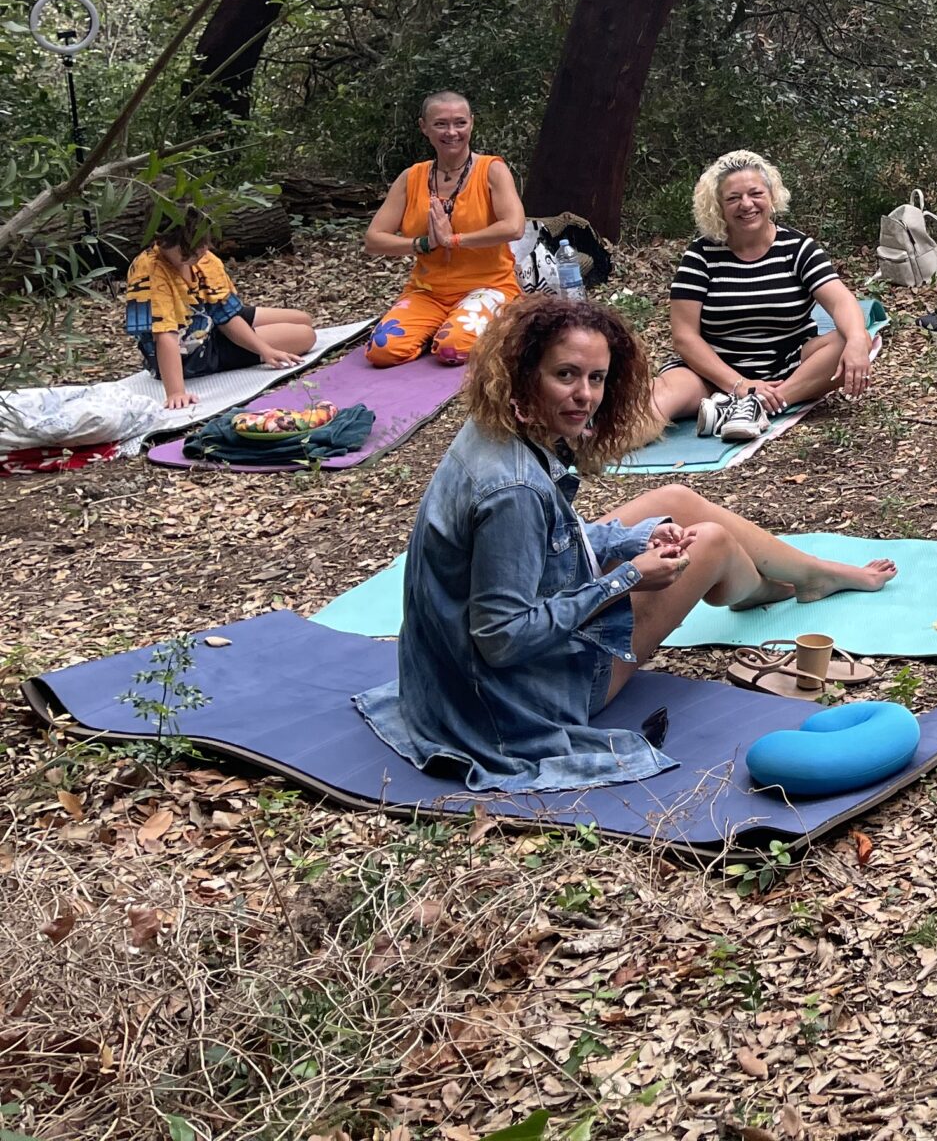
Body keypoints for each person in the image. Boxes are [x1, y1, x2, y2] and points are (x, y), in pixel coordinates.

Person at [354, 295, 897, 793]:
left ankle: (798, 576)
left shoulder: (494, 426)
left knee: (676, 501)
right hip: (513, 700)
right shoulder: (513, 488)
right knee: (706, 543)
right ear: (523, 374)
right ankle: (765, 586)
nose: (585, 395)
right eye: (565, 375)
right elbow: (502, 638)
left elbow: (541, 547)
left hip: (450, 677)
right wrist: (628, 575)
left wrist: (631, 539)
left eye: (596, 377)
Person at [651, 150, 876, 442]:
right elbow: (684, 336)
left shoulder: (798, 248)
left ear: (771, 196)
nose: (746, 205)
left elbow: (840, 300)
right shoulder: (701, 255)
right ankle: (588, 447)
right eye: (733, 198)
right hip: (713, 373)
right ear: (718, 206)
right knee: (657, 400)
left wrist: (858, 340)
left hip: (789, 367)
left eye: (755, 193)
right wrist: (737, 383)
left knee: (852, 338)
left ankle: (757, 406)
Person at [361, 91, 526, 367]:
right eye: (441, 124)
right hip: (427, 290)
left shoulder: (491, 170)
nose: (452, 132)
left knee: (453, 349)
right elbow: (373, 240)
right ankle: (437, 327)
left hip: (488, 286)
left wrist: (454, 240)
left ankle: (470, 324)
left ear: (471, 123)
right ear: (424, 127)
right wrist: (424, 244)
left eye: (460, 123)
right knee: (382, 351)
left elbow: (514, 227)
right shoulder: (411, 177)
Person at [123, 216, 318, 408]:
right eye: (189, 249)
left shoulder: (204, 259)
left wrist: (263, 349)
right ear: (161, 242)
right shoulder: (149, 272)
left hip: (207, 320)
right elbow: (165, 336)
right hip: (192, 351)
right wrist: (176, 392)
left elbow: (225, 315)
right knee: (305, 336)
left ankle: (257, 343)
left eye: (202, 244)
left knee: (302, 319)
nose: (200, 251)